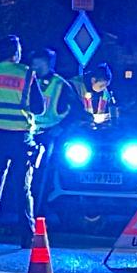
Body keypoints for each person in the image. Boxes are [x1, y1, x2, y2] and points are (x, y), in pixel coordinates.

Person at [0, 35, 45, 248]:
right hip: (19, 137)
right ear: (16, 52)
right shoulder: (26, 73)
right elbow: (39, 107)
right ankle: (27, 237)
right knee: (22, 187)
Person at [31, 48, 80, 210]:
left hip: (49, 134)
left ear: (46, 63)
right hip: (29, 133)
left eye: (37, 61)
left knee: (43, 174)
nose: (33, 64)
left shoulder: (61, 85)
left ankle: (39, 210)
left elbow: (77, 111)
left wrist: (60, 128)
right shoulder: (30, 80)